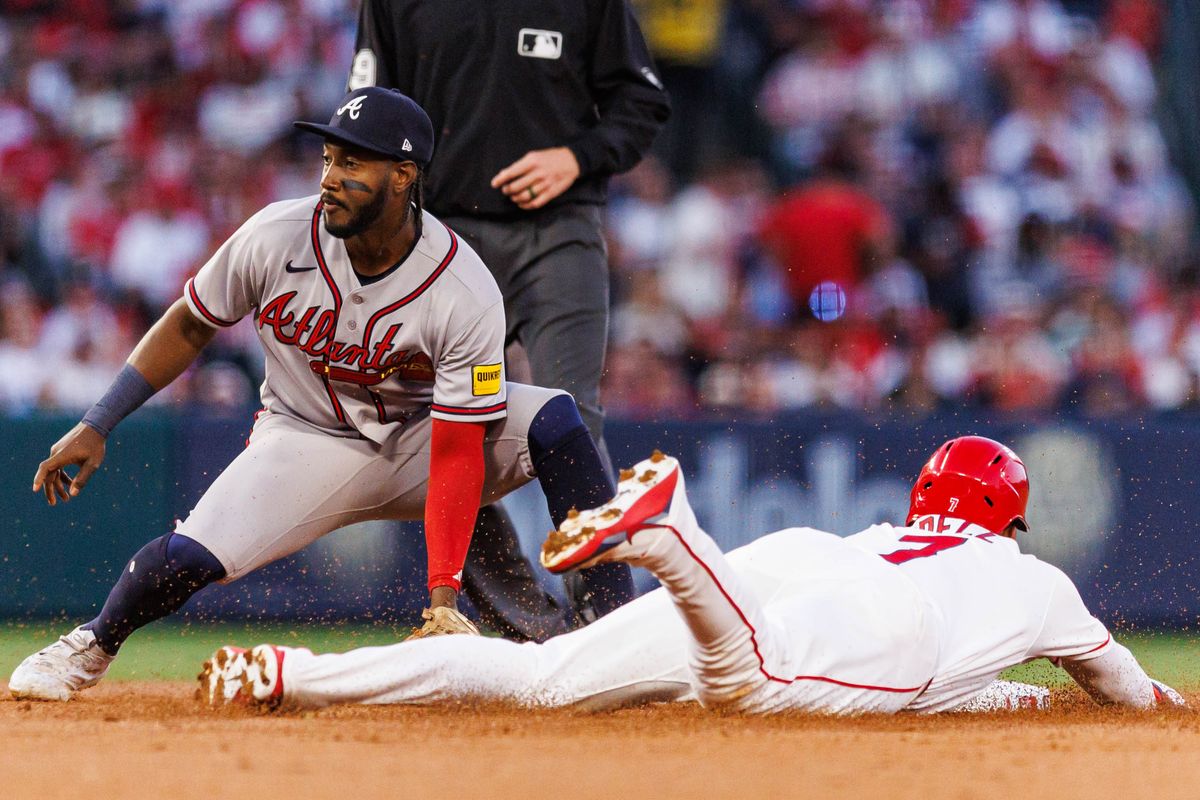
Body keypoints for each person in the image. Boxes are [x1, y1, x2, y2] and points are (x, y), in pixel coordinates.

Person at [8, 87, 622, 702]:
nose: (330, 178)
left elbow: (459, 448)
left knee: (554, 419)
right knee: (190, 555)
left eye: (352, 164)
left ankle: (615, 632)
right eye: (328, 158)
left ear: (404, 176)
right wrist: (99, 421)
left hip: (420, 442)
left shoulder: (461, 286)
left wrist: (442, 597)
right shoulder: (277, 235)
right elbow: (192, 322)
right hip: (304, 437)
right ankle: (90, 645)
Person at [199, 438, 1184, 714]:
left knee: (539, 678)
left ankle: (294, 672)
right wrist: (1160, 697)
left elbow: (980, 690)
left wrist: (1008, 698)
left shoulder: (894, 526)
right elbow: (1124, 687)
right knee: (752, 685)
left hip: (810, 557)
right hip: (889, 622)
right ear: (1008, 517)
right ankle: (672, 532)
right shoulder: (1035, 577)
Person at [348, 0, 672, 636]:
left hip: (559, 230)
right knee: (437, 422)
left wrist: (578, 157)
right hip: (443, 238)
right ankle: (527, 622)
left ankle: (608, 621)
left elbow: (643, 103)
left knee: (573, 415)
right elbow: (369, 114)